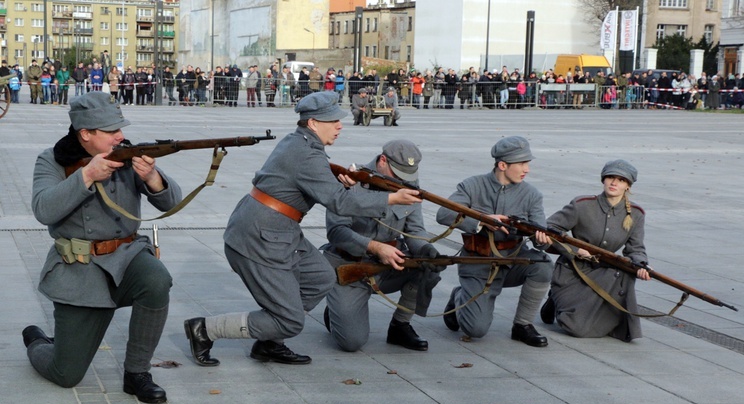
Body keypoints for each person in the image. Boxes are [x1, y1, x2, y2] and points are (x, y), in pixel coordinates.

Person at [183, 91, 421, 367]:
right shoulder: (306, 153)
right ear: (313, 123)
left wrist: (337, 183)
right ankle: (204, 330)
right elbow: (339, 202)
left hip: (277, 229)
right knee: (290, 320)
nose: (340, 125)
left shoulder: (301, 144)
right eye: (332, 121)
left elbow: (320, 187)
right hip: (259, 236)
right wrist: (391, 198)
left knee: (320, 276)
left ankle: (269, 342)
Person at [23, 91, 183, 403]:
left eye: (120, 128)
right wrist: (86, 176)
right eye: (111, 131)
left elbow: (172, 202)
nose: (120, 136)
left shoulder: (126, 155)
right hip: (78, 270)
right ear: (85, 134)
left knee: (156, 279)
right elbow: (43, 210)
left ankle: (137, 373)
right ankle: (37, 342)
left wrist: (152, 177)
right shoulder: (51, 160)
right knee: (66, 374)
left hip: (127, 258)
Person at [321, 140, 442, 352]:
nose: (403, 182)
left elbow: (414, 230)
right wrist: (375, 247)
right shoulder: (349, 180)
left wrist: (425, 249)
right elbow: (336, 232)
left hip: (388, 266)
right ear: (382, 161)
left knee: (427, 267)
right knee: (352, 343)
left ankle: (400, 326)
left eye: (408, 176)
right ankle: (336, 311)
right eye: (398, 175)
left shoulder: (408, 185)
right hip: (349, 267)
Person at [436, 136, 553, 346]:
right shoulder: (472, 186)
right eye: (522, 164)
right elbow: (443, 214)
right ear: (502, 165)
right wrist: (482, 221)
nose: (527, 169)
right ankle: (459, 296)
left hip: (513, 260)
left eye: (527, 163)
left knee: (543, 266)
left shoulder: (532, 194)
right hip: (478, 263)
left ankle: (522, 325)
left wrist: (542, 241)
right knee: (476, 330)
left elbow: (540, 234)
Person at [540, 160, 649, 342]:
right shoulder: (581, 205)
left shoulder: (636, 214)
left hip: (604, 273)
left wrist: (641, 265)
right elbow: (549, 227)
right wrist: (576, 250)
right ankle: (556, 300)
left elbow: (635, 248)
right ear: (603, 180)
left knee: (625, 271)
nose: (614, 183)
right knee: (576, 328)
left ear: (628, 186)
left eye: (621, 180)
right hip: (572, 272)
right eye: (610, 178)